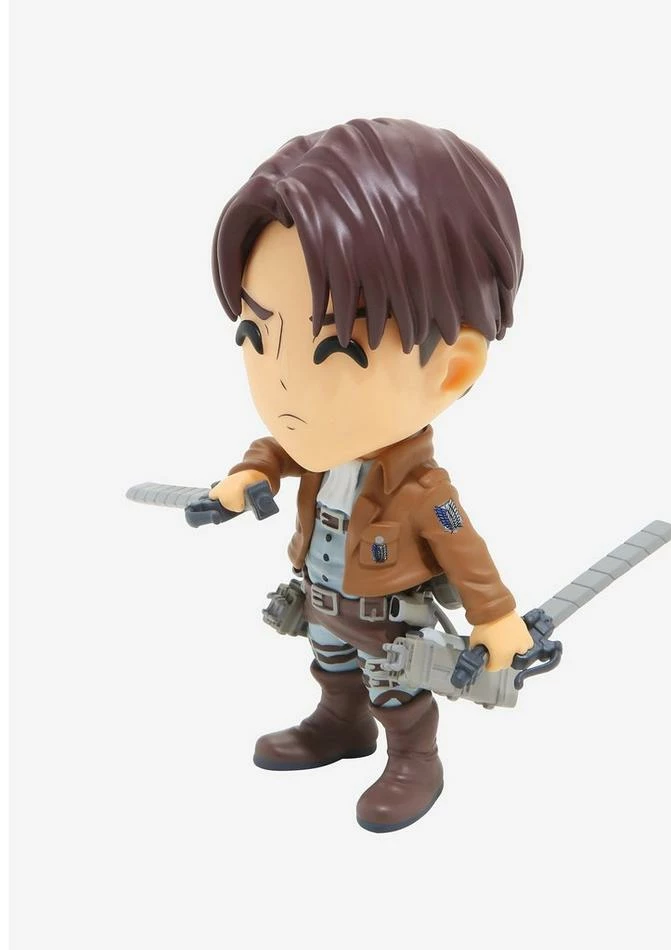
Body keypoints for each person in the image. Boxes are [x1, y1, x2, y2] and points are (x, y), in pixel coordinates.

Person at [209, 117, 533, 832]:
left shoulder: (422, 491)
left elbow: (461, 546)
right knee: (330, 664)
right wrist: (248, 473)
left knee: (395, 689)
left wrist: (494, 614)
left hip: (385, 615)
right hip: (323, 597)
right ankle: (338, 724)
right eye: (257, 336)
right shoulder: (319, 446)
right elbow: (278, 449)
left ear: (453, 367)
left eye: (333, 352)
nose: (282, 385)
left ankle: (415, 760)